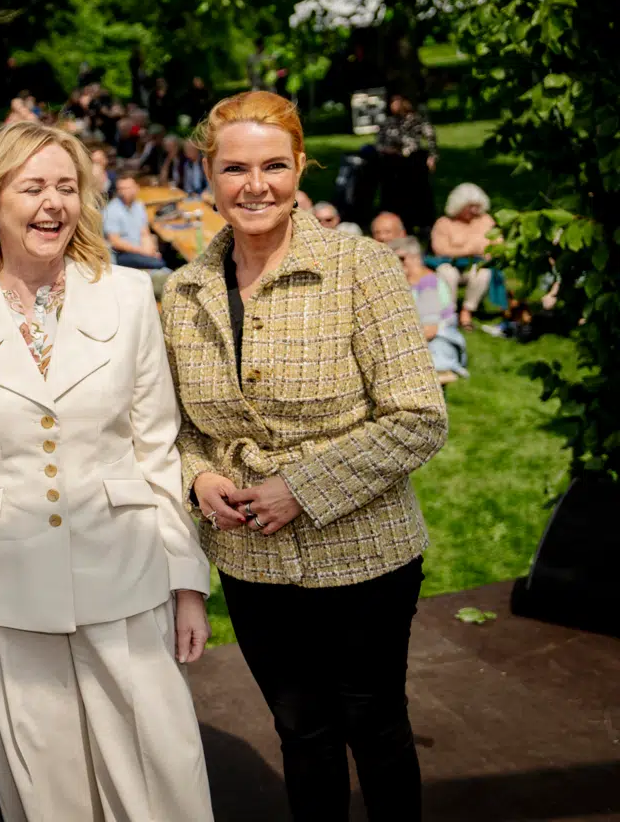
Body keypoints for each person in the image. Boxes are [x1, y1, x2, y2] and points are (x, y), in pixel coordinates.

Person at [162, 91, 448, 822]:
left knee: (373, 726)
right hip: (252, 563)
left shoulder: (361, 268)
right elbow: (186, 427)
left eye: (273, 166)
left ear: (299, 170)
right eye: (235, 168)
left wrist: (303, 486)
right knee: (301, 734)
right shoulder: (183, 293)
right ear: (209, 177)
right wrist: (200, 477)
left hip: (364, 554)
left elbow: (419, 417)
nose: (255, 185)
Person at [0, 120, 213, 821]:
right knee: (45, 791)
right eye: (33, 187)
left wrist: (186, 582)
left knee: (160, 774)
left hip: (126, 566)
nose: (53, 202)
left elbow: (157, 448)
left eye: (66, 185)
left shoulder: (126, 296)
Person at [392, 236, 467, 384]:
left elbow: (430, 329)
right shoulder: (404, 284)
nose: (396, 264)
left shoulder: (428, 283)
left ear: (415, 258)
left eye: (401, 258)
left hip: (437, 345)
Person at [430, 182, 498, 331]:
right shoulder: (444, 223)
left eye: (477, 206)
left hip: (474, 266)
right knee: (446, 273)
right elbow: (440, 249)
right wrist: (468, 250)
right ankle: (449, 312)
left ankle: (467, 312)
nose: (474, 210)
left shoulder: (486, 221)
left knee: (483, 273)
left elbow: (497, 244)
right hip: (452, 265)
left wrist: (484, 253)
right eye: (470, 206)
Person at [374, 91, 438, 236]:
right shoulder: (388, 122)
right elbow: (378, 143)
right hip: (393, 163)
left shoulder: (416, 120)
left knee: (420, 191)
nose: (393, 106)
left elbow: (430, 137)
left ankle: (423, 224)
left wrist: (432, 157)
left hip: (413, 161)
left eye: (396, 102)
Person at [103, 175, 167, 270]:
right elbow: (115, 242)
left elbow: (144, 233)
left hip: (140, 249)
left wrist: (151, 250)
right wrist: (143, 252)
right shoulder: (112, 210)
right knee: (159, 264)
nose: (125, 192)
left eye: (128, 188)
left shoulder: (139, 205)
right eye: (121, 189)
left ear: (136, 188)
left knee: (163, 258)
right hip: (123, 254)